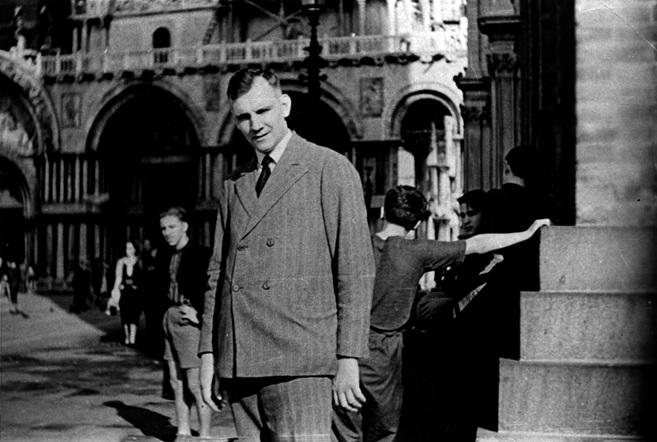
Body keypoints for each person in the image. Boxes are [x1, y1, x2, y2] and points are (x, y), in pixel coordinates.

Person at [199, 67, 375, 442]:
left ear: (284, 105)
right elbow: (218, 275)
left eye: (263, 111)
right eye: (243, 117)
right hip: (240, 359)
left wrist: (349, 358)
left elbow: (355, 271)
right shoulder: (235, 182)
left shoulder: (330, 168)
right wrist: (209, 355)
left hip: (302, 361)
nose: (255, 125)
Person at [332, 185, 550, 442]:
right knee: (383, 431)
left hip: (343, 346)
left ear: (382, 213)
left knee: (344, 429)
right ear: (417, 223)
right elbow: (477, 244)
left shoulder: (355, 245)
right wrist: (527, 232)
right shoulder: (417, 251)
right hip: (383, 356)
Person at [158, 207, 212, 441]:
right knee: (175, 381)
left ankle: (205, 435)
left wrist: (199, 315)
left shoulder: (200, 254)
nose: (167, 232)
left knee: (195, 383)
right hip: (169, 318)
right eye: (163, 228)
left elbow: (211, 289)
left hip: (188, 321)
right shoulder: (165, 254)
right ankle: (183, 431)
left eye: (172, 227)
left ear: (185, 226)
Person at [110, 241, 143, 346]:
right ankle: (127, 336)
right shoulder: (121, 262)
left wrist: (137, 285)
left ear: (134, 249)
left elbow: (142, 277)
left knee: (134, 315)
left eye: (130, 248)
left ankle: (132, 337)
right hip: (124, 293)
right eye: (126, 248)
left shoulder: (139, 261)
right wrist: (117, 287)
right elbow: (118, 277)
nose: (127, 251)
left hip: (135, 294)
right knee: (125, 315)